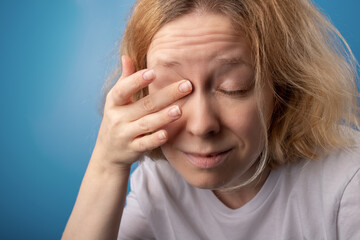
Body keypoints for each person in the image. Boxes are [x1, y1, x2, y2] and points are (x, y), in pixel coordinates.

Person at [62, 0, 360, 239]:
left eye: (234, 88)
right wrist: (107, 164)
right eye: (172, 90)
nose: (202, 125)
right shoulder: (158, 182)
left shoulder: (348, 180)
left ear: (282, 87)